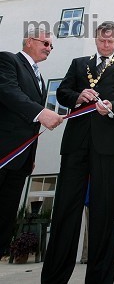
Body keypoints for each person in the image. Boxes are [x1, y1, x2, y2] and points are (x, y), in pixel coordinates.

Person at [41, 22, 114, 284]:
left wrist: (112, 106)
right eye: (102, 40)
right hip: (76, 144)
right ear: (96, 39)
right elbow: (62, 93)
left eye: (110, 41)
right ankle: (54, 277)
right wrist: (77, 95)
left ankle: (100, 279)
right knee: (65, 209)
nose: (106, 45)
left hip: (108, 147)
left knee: (104, 213)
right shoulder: (77, 64)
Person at [0, 28, 63, 259]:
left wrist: (31, 154)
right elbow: (8, 91)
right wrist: (40, 113)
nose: (49, 49)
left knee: (5, 221)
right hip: (4, 152)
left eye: (51, 46)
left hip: (22, 160)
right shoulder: (8, 60)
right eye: (45, 43)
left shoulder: (40, 79)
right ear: (29, 41)